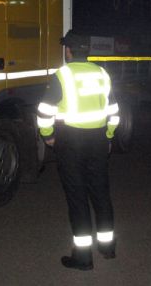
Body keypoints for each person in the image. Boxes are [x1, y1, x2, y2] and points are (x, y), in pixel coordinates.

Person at [37, 30, 120, 271]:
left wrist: (47, 136)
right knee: (101, 194)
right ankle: (108, 247)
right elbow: (114, 110)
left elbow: (44, 111)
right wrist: (108, 136)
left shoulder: (62, 75)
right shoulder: (102, 74)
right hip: (97, 141)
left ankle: (83, 258)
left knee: (77, 198)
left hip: (71, 142)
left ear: (69, 50)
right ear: (88, 50)